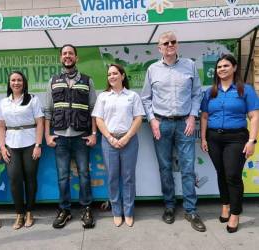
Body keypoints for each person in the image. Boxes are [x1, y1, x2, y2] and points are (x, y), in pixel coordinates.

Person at [140, 31, 206, 232]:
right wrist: (152, 120)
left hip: (185, 124)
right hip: (162, 124)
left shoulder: (190, 65)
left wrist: (193, 115)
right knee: (165, 167)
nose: (169, 45)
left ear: (177, 45)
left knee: (187, 167)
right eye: (165, 43)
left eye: (173, 42)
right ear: (159, 48)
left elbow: (197, 94)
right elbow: (145, 98)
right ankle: (169, 206)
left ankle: (190, 210)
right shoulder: (152, 69)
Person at [200, 54, 259, 233]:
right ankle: (225, 205)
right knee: (221, 173)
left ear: (234, 68)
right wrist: (203, 138)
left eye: (226, 66)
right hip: (214, 138)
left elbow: (254, 116)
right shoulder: (210, 92)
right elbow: (204, 116)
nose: (222, 69)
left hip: (237, 138)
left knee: (232, 175)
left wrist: (252, 141)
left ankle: (235, 212)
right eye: (219, 67)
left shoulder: (245, 90)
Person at [44, 44, 97, 229]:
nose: (68, 56)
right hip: (59, 137)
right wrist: (47, 136)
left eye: (71, 53)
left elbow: (93, 110)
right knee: (63, 176)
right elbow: (48, 111)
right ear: (61, 58)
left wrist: (93, 133)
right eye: (65, 53)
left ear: (76, 57)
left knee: (84, 174)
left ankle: (87, 208)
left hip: (81, 137)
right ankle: (64, 210)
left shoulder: (87, 81)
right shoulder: (53, 80)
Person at [92, 64, 144, 227]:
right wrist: (109, 137)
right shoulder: (103, 97)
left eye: (115, 73)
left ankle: (128, 211)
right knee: (113, 177)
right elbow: (98, 119)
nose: (112, 76)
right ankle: (116, 211)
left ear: (122, 76)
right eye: (109, 74)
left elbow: (138, 118)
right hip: (109, 141)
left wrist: (127, 137)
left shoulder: (132, 96)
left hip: (129, 141)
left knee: (128, 178)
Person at [0, 71, 44, 230]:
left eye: (19, 80)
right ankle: (19, 214)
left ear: (24, 82)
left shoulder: (33, 99)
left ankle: (30, 212)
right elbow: (1, 126)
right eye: (13, 80)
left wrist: (38, 145)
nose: (16, 83)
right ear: (9, 83)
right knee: (14, 179)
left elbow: (40, 123)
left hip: (30, 143)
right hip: (11, 144)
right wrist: (2, 147)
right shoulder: (3, 102)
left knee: (31, 178)